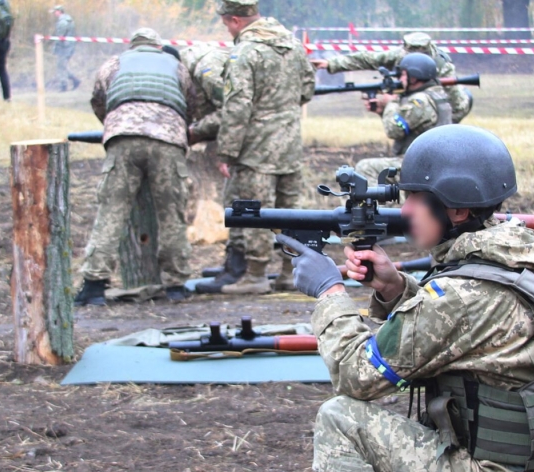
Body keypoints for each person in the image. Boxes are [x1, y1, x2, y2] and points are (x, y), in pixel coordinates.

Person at [282, 125, 534, 472]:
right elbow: (473, 328)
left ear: (457, 208)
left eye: (414, 198)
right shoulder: (530, 255)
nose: (403, 211)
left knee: (340, 418)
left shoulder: (461, 293)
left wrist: (328, 291)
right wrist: (394, 287)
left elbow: (356, 376)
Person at [74, 28, 200, 306]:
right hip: (167, 141)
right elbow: (192, 105)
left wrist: (117, 124)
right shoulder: (176, 66)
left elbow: (99, 102)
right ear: (158, 46)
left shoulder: (114, 63)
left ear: (132, 46)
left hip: (123, 140)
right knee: (171, 212)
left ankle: (94, 284)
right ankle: (176, 284)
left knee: (111, 210)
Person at [196, 0, 315, 295]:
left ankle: (257, 275)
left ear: (235, 20)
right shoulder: (294, 45)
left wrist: (227, 152)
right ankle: (290, 273)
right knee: (291, 213)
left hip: (256, 150)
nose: (228, 31)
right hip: (290, 145)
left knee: (255, 212)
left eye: (226, 25)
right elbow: (307, 89)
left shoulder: (245, 52)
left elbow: (237, 105)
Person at [311, 32, 472, 123]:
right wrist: (333, 63)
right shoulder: (400, 55)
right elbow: (369, 59)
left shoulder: (442, 66)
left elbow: (459, 108)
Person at [354, 53, 452, 184]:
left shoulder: (420, 101)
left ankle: (379, 205)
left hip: (423, 165)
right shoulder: (435, 94)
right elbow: (407, 127)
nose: (400, 79)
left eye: (404, 74)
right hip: (431, 161)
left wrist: (391, 103)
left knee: (365, 168)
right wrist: (382, 111)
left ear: (414, 77)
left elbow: (393, 130)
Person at [51, 5, 81, 92]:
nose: (54, 14)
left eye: (55, 12)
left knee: (61, 67)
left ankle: (64, 85)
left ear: (59, 11)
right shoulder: (69, 20)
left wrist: (55, 48)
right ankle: (75, 80)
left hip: (64, 47)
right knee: (62, 66)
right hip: (68, 47)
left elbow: (60, 37)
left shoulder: (62, 22)